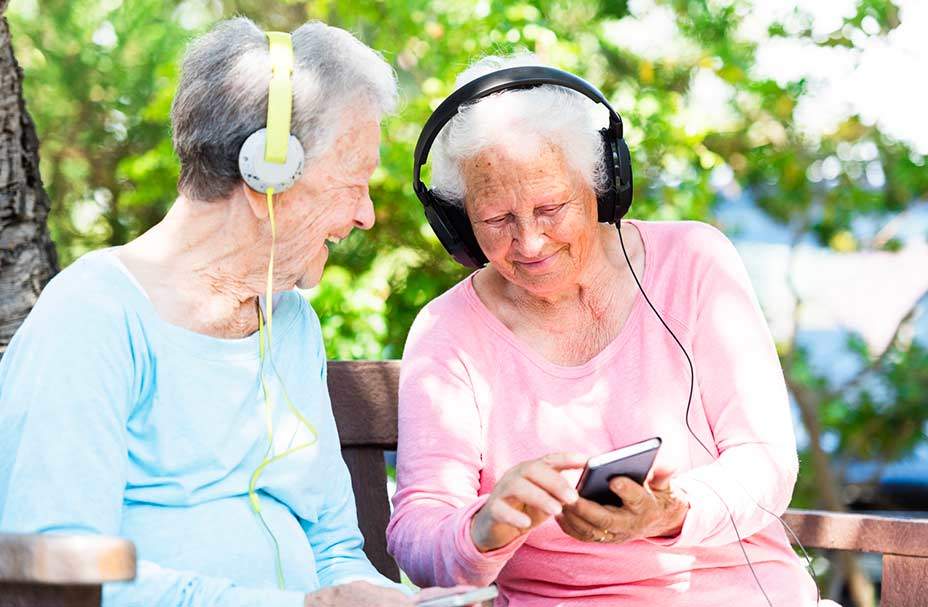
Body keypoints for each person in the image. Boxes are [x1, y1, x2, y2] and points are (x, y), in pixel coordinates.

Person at [0, 17, 451, 607]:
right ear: (268, 172)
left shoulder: (291, 322)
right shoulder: (93, 315)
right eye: (352, 183)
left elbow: (334, 545)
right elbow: (57, 572)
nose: (365, 214)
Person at [387, 54, 832, 606]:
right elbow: (418, 531)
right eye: (497, 219)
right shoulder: (447, 330)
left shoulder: (694, 262)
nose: (529, 243)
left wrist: (671, 512)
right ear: (456, 221)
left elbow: (765, 460)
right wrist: (482, 529)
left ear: (604, 183)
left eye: (551, 207)